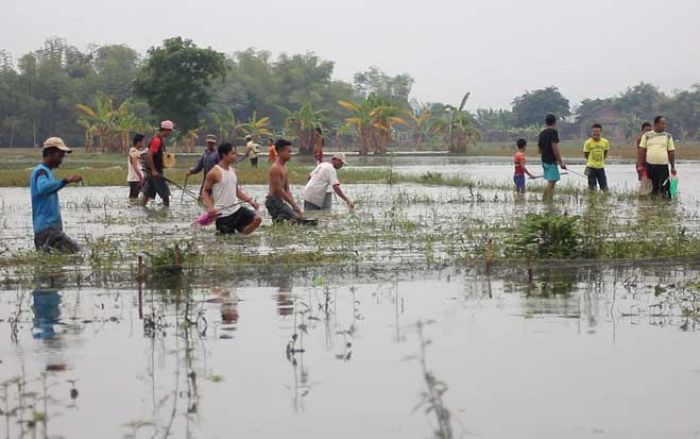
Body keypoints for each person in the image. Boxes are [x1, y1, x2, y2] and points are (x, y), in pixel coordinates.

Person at [31, 137, 82, 253]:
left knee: (53, 267)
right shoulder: (41, 171)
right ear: (50, 153)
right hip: (47, 231)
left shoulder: (47, 172)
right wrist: (65, 181)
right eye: (60, 156)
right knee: (77, 253)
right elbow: (43, 188)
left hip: (48, 230)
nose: (61, 160)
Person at [201, 142, 262, 235]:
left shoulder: (233, 171)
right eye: (233, 153)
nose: (236, 155)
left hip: (237, 210)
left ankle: (242, 237)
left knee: (257, 219)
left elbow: (237, 191)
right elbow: (205, 191)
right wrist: (210, 207)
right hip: (223, 215)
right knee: (228, 240)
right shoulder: (214, 173)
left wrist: (250, 201)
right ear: (224, 155)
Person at [637, 115, 676, 197]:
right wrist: (640, 165)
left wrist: (672, 167)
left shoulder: (668, 136)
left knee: (664, 190)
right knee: (651, 190)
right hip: (650, 167)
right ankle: (652, 207)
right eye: (662, 124)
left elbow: (671, 152)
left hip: (663, 167)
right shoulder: (647, 136)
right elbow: (641, 151)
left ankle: (664, 206)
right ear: (655, 124)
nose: (664, 126)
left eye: (665, 124)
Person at [266, 139, 303, 222]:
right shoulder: (275, 168)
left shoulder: (284, 167)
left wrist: (295, 205)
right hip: (273, 201)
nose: (290, 154)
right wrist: (293, 205)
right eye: (288, 152)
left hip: (279, 201)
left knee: (284, 223)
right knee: (296, 218)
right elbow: (279, 190)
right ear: (280, 152)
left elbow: (287, 189)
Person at [140, 120, 173, 207]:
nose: (170, 133)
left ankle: (141, 210)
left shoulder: (158, 139)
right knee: (165, 195)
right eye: (169, 131)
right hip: (155, 172)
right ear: (165, 130)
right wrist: (154, 170)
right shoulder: (156, 141)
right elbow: (149, 155)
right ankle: (166, 213)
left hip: (152, 171)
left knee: (147, 195)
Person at [538, 114, 567, 199]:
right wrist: (561, 162)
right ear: (555, 122)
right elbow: (555, 148)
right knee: (552, 181)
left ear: (546, 122)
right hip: (551, 161)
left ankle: (549, 200)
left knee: (551, 181)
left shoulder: (542, 133)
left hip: (544, 160)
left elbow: (539, 149)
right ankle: (545, 199)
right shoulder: (553, 132)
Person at [583, 123, 610, 191]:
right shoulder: (587, 142)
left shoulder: (605, 142)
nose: (596, 134)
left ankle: (604, 200)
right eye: (594, 132)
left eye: (597, 132)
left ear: (600, 132)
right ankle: (592, 200)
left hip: (601, 167)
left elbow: (605, 152)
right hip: (591, 167)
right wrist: (591, 162)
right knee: (592, 188)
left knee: (604, 187)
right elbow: (586, 155)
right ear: (592, 132)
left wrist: (601, 160)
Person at [127, 134, 145, 200]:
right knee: (133, 197)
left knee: (136, 197)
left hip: (137, 179)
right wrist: (141, 177)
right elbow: (135, 166)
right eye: (143, 141)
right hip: (135, 179)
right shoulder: (133, 151)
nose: (144, 143)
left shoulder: (136, 151)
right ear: (138, 142)